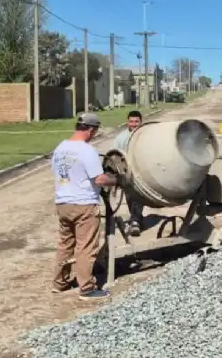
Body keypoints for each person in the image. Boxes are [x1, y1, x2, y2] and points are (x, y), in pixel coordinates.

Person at [51, 113, 119, 300]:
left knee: (65, 244)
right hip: (83, 205)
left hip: (63, 203)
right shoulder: (87, 151)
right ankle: (87, 288)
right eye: (95, 131)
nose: (95, 134)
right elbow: (99, 179)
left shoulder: (60, 148)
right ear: (90, 129)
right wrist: (118, 180)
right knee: (86, 247)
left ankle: (60, 283)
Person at [113, 110, 144, 236]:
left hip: (142, 172)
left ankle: (136, 220)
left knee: (139, 195)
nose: (134, 124)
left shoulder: (146, 135)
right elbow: (114, 154)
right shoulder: (121, 138)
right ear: (127, 122)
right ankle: (136, 218)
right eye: (131, 121)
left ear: (141, 122)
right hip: (127, 172)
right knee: (130, 196)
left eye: (137, 121)